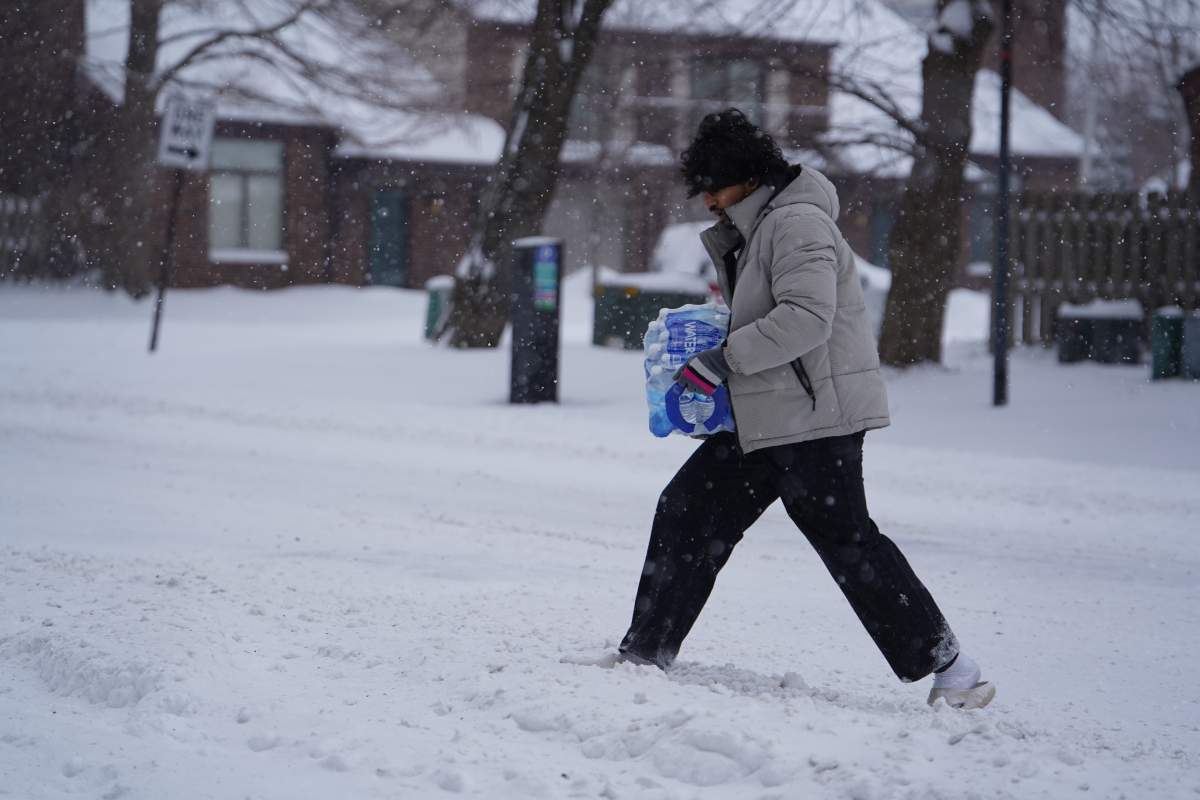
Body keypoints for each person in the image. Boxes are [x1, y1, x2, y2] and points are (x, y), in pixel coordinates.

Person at [616, 108, 993, 709]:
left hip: (815, 417)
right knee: (690, 510)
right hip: (770, 413)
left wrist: (722, 358)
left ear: (744, 177)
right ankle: (644, 653)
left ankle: (953, 669)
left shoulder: (796, 224)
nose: (708, 200)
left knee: (846, 540)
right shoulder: (762, 224)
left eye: (713, 187)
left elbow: (806, 319)